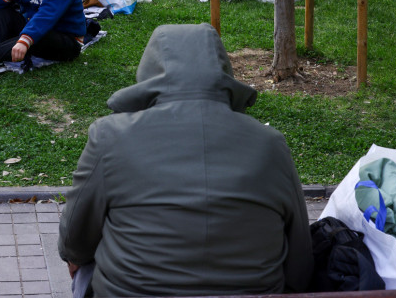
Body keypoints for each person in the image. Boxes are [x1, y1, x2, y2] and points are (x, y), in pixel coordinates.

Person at [58, 23, 313, 298]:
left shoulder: (110, 136)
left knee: (83, 266)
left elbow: (74, 241)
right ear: (223, 71)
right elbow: (300, 259)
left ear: (149, 73)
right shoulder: (271, 144)